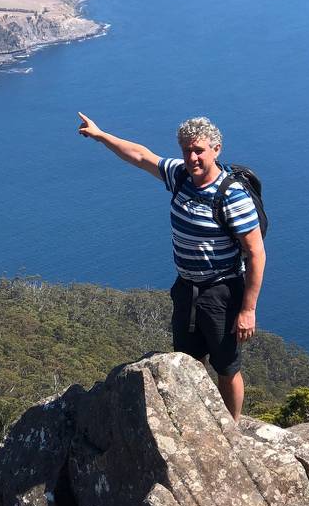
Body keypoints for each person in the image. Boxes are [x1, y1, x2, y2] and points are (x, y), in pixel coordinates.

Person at [76, 112, 265, 421]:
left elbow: (256, 253)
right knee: (189, 361)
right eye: (187, 150)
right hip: (186, 287)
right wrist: (100, 135)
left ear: (216, 150)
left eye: (199, 150)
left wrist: (248, 309)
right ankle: (200, 420)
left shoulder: (232, 196)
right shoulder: (179, 176)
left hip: (222, 291)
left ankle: (232, 428)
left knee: (227, 366)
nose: (192, 157)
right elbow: (139, 155)